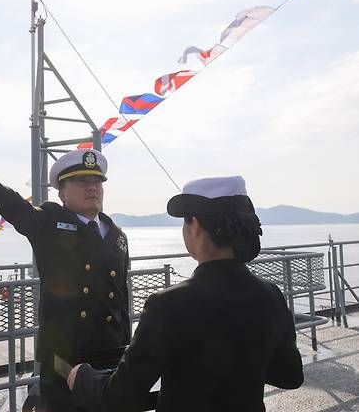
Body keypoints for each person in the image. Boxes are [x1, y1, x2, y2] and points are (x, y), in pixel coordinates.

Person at [0, 138, 132, 412]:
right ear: (62, 193)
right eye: (81, 181)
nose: (92, 187)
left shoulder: (117, 236)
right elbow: (3, 198)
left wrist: (128, 349)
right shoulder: (48, 222)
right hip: (65, 359)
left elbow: (122, 300)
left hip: (111, 355)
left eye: (97, 181)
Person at [68, 176, 304, 412]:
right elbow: (290, 375)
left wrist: (82, 377)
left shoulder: (167, 305)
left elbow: (118, 398)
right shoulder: (270, 295)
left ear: (196, 226)